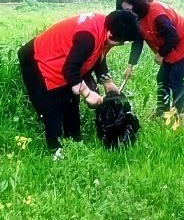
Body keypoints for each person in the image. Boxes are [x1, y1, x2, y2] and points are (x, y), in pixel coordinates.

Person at [18, 10, 139, 150]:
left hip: (65, 60)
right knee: (52, 106)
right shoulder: (87, 38)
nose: (119, 44)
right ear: (110, 35)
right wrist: (88, 94)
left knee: (71, 100)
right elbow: (69, 70)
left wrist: (107, 82)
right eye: (120, 42)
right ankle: (55, 149)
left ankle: (74, 141)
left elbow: (98, 53)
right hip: (37, 58)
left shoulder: (108, 24)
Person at [116, 0, 184, 117]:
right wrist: (130, 66)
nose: (128, 14)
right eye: (125, 12)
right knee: (162, 78)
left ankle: (180, 114)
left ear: (137, 5)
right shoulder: (136, 18)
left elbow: (172, 37)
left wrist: (161, 54)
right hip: (169, 47)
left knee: (175, 78)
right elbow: (137, 42)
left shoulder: (157, 14)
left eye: (129, 10)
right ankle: (163, 111)